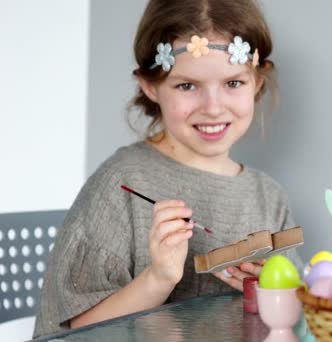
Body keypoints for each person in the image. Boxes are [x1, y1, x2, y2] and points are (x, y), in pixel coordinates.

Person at [33, 0, 301, 337]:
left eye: (233, 83)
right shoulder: (122, 182)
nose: (213, 108)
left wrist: (270, 291)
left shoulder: (269, 198)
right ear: (150, 86)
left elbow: (296, 317)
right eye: (187, 86)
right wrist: (159, 278)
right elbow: (77, 332)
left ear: (257, 82)